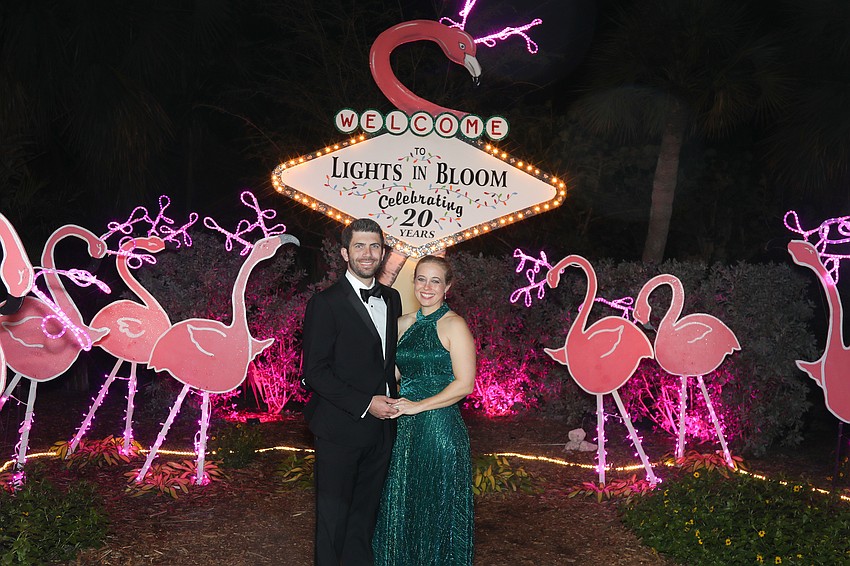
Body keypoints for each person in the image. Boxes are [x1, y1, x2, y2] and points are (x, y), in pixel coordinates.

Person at [301, 218, 403, 565]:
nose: (368, 253)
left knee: (364, 517)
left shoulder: (392, 298)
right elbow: (315, 372)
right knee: (333, 521)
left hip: (383, 429)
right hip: (339, 428)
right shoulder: (325, 303)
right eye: (359, 246)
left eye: (375, 246)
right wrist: (365, 403)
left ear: (383, 253)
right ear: (345, 253)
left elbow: (385, 361)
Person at [373, 255, 476, 565]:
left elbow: (464, 384)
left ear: (447, 287)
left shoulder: (454, 325)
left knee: (436, 509)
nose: (427, 287)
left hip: (439, 430)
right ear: (413, 282)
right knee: (404, 506)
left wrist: (418, 406)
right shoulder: (402, 323)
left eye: (435, 281)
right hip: (405, 429)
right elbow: (393, 375)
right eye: (421, 279)